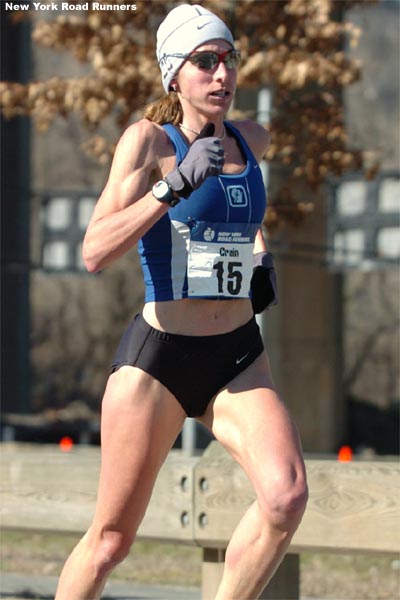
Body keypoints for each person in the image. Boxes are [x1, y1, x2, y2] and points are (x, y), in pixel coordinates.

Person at [55, 4, 308, 599]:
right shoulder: (147, 143)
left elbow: (242, 216)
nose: (221, 75)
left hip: (238, 356)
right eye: (204, 62)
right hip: (159, 360)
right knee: (112, 540)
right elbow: (93, 250)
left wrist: (260, 255)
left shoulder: (254, 139)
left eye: (228, 60)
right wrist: (172, 187)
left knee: (286, 497)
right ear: (174, 74)